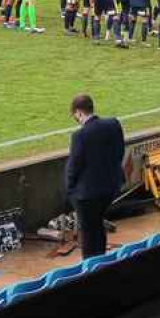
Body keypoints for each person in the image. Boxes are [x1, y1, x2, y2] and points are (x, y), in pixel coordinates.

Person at [65, 94, 125, 258]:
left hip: (88, 195)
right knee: (98, 226)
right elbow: (120, 152)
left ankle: (91, 268)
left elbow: (74, 167)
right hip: (111, 188)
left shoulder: (79, 136)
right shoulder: (114, 124)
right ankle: (100, 261)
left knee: (89, 234)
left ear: (78, 113)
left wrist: (70, 190)